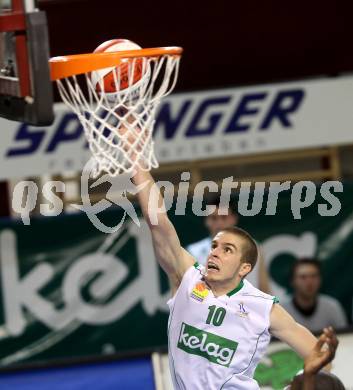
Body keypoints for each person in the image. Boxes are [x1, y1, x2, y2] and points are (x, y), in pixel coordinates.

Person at [132, 165, 321, 390]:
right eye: (214, 246)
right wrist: (136, 163)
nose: (215, 253)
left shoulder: (263, 307)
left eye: (227, 249)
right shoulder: (188, 278)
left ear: (244, 269)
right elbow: (158, 222)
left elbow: (318, 356)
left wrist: (299, 382)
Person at [186, 195, 271, 293]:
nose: (219, 224)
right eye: (214, 218)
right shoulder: (193, 251)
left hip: (248, 307)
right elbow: (190, 290)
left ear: (234, 219)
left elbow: (264, 288)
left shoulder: (253, 247)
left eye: (224, 217)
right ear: (207, 221)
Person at [282, 258, 347, 333]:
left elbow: (345, 339)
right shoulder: (281, 310)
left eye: (314, 276)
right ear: (292, 281)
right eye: (303, 277)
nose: (309, 282)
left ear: (320, 279)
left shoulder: (332, 306)